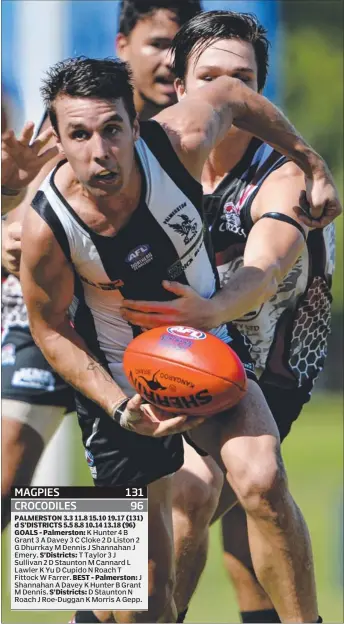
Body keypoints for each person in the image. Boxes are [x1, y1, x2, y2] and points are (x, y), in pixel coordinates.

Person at [20, 56, 336, 623]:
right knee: (139, 603)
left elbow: (234, 96)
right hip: (116, 377)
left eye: (113, 130)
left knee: (258, 480)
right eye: (80, 135)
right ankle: (91, 609)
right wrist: (119, 406)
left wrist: (312, 163)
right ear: (58, 137)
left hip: (203, 354)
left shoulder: (182, 137)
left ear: (135, 124)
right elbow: (48, 328)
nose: (100, 151)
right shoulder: (48, 223)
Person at [119, 10, 341, 623]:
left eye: (240, 80)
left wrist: (213, 305)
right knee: (107, 522)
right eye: (210, 76)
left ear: (259, 94)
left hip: (268, 355)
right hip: (135, 348)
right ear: (179, 85)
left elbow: (265, 266)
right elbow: (59, 197)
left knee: (245, 485)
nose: (226, 93)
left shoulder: (283, 172)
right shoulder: (143, 151)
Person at [1, 0, 203, 542]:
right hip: (50, 319)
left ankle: (92, 609)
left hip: (147, 330)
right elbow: (24, 216)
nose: (172, 61)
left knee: (184, 506)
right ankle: (88, 602)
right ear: (122, 47)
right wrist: (9, 205)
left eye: (185, 48)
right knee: (6, 478)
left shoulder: (197, 130)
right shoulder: (79, 117)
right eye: (159, 43)